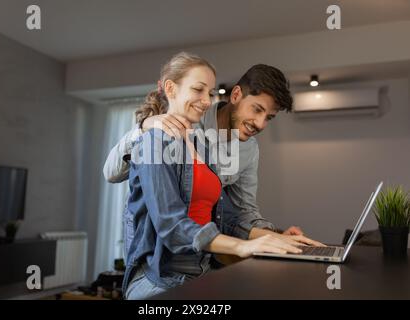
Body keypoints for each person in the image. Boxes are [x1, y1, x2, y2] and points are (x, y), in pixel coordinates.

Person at [122, 52, 304, 300]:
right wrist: (243, 247)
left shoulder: (205, 146)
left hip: (203, 270)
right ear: (171, 89)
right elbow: (171, 226)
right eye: (198, 90)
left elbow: (228, 217)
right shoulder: (152, 142)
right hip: (160, 278)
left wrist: (278, 239)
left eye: (209, 93)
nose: (206, 101)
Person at [104, 57, 324, 252]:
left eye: (269, 117)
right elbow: (112, 173)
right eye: (257, 109)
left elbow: (243, 211)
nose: (260, 123)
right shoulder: (186, 121)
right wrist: (144, 127)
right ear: (236, 94)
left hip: (201, 255)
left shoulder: (249, 149)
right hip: (158, 256)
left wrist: (274, 236)